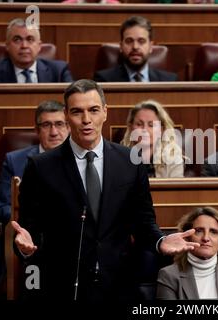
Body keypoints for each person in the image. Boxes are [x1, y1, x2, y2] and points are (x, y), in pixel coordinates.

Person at [11, 79, 199, 301]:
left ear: (105, 112)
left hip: (118, 285)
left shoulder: (130, 161)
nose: (86, 120)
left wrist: (160, 241)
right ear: (66, 115)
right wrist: (25, 248)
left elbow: (144, 223)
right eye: (77, 112)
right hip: (61, 286)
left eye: (93, 110)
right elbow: (29, 231)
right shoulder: (40, 167)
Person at [0, 100, 70, 225]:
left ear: (68, 128)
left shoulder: (81, 158)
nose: (54, 132)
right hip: (28, 233)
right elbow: (2, 207)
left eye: (59, 124)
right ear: (37, 130)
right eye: (46, 125)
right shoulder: (14, 161)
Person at [156, 207, 218, 299]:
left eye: (213, 232)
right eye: (199, 231)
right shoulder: (169, 275)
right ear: (187, 237)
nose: (206, 238)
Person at [0, 18, 73, 83]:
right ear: (7, 45)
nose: (24, 46)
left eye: (30, 39)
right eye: (17, 40)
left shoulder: (59, 71)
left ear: (39, 46)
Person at [94, 16, 178, 82]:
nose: (135, 47)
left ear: (150, 46)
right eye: (129, 41)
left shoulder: (169, 80)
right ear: (121, 46)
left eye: (141, 41)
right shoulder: (104, 80)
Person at [120, 100, 184, 178]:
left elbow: (177, 189)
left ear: (161, 129)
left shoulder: (173, 158)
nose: (144, 129)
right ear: (131, 128)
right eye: (139, 124)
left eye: (151, 125)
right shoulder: (119, 158)